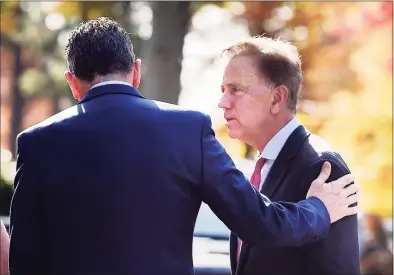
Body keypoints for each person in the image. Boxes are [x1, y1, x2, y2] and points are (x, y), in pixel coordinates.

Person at [9, 17, 359, 275]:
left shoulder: (37, 143)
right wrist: (319, 209)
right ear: (136, 71)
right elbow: (260, 223)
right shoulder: (187, 129)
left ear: (72, 82)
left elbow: (23, 262)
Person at [218, 36, 360, 275]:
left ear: (277, 98)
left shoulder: (323, 167)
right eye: (223, 90)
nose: (222, 102)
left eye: (236, 90)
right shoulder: (259, 167)